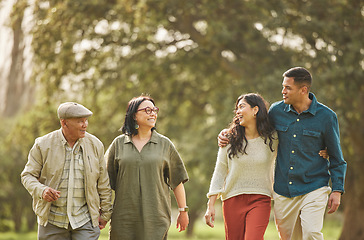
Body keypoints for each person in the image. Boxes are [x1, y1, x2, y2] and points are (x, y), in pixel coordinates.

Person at [218, 67, 347, 240]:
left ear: (303, 90)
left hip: (315, 185)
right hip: (283, 189)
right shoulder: (276, 111)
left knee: (311, 233)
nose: (283, 91)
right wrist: (228, 132)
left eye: (288, 88)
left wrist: (337, 190)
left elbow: (337, 158)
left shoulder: (327, 117)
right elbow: (254, 126)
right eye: (283, 86)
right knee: (289, 237)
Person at [21, 102, 113, 240]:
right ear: (64, 123)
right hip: (52, 221)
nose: (85, 125)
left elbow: (103, 183)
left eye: (86, 120)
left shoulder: (96, 145)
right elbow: (27, 176)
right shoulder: (42, 144)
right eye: (80, 121)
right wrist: (42, 190)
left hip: (85, 220)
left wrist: (105, 214)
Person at [105, 95, 189, 240]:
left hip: (155, 219)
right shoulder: (118, 144)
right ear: (134, 116)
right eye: (147, 110)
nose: (153, 113)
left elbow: (177, 181)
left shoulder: (165, 144)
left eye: (154, 110)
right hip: (123, 220)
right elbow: (104, 181)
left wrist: (183, 211)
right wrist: (103, 212)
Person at [205, 93, 278, 240]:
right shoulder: (229, 138)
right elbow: (220, 171)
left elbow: (294, 149)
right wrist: (210, 204)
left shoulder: (272, 138)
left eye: (242, 106)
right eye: (237, 108)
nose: (237, 111)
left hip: (260, 198)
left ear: (255, 110)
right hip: (232, 200)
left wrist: (325, 150)